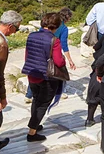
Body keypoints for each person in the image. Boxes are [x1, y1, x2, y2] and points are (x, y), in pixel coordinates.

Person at [21, 13, 74, 142]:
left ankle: (36, 124)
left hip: (32, 72)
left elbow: (27, 54)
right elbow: (58, 61)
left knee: (36, 99)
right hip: (47, 76)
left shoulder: (31, 35)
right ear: (56, 26)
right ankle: (32, 133)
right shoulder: (54, 40)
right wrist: (64, 61)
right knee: (43, 104)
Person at [0, 10, 22, 153]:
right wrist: (2, 96)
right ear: (10, 26)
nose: (16, 32)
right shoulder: (2, 43)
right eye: (17, 28)